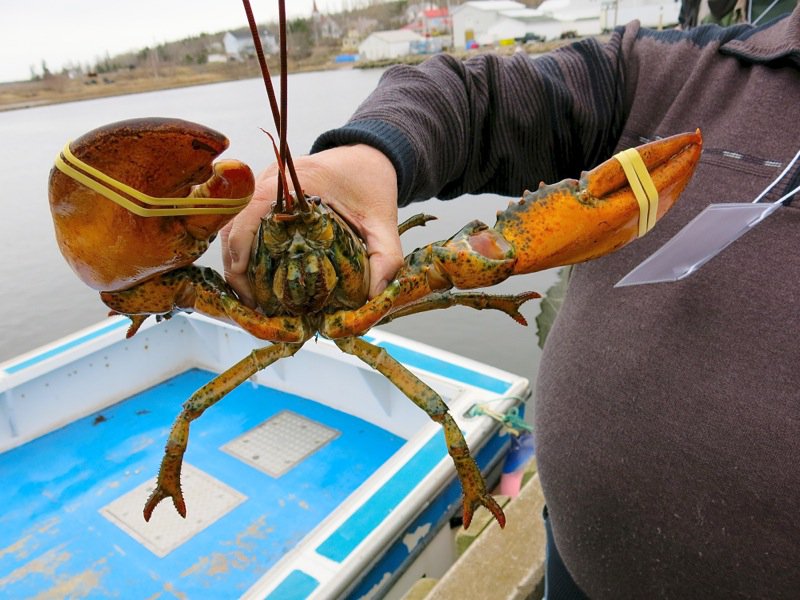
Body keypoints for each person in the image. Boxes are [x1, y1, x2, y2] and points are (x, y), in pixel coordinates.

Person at [222, 5, 800, 599]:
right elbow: (467, 97)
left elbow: (451, 275)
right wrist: (365, 156)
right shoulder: (680, 72)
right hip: (578, 566)